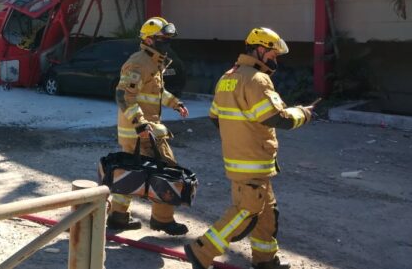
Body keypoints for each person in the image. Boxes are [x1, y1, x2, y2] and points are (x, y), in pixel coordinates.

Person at [184, 27, 314, 269]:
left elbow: (215, 117)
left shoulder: (227, 78)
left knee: (266, 214)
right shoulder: (257, 79)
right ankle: (201, 251)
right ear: (261, 50)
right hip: (253, 162)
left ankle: (265, 261)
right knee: (245, 212)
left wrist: (238, 137)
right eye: (273, 55)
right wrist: (303, 114)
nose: (275, 60)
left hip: (245, 161)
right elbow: (277, 119)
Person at [107, 16, 190, 234]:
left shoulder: (152, 63)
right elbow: (124, 96)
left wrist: (175, 103)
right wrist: (141, 124)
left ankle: (118, 216)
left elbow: (155, 93)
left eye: (168, 39)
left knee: (129, 171)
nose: (167, 43)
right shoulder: (139, 62)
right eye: (163, 39)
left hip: (136, 131)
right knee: (167, 170)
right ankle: (162, 219)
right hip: (141, 131)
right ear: (150, 40)